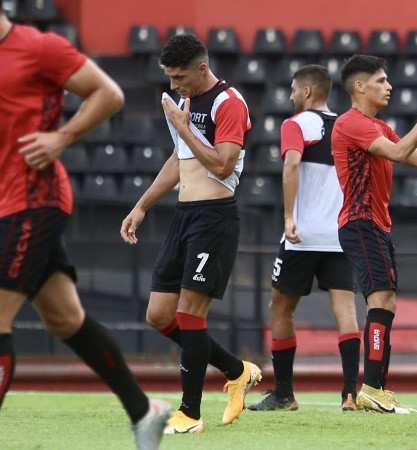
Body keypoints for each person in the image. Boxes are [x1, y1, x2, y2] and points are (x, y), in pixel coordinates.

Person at [0, 11, 171, 449]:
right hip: (5, 206)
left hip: (33, 201)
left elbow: (108, 93)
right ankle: (144, 412)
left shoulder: (39, 48)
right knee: (65, 318)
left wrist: (62, 137)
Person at [120, 34, 260, 434]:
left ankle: (190, 414)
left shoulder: (228, 102)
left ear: (202, 68)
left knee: (189, 315)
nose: (173, 85)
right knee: (159, 315)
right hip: (184, 216)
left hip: (214, 219)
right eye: (169, 76)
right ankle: (237, 370)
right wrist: (142, 205)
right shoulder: (182, 102)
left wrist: (185, 129)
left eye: (179, 76)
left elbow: (222, 164)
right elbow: (179, 159)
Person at [332, 55, 417, 413]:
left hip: (377, 225)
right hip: (360, 222)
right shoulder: (351, 122)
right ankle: (372, 388)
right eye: (381, 81)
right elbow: (400, 153)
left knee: (385, 302)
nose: (389, 86)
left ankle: (376, 389)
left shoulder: (379, 126)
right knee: (381, 299)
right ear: (359, 86)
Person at [246, 65, 360, 412]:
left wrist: (288, 217)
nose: (291, 95)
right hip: (340, 234)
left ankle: (284, 394)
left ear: (308, 91)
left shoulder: (295, 124)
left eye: (294, 89)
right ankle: (350, 393)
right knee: (346, 310)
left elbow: (292, 165)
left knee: (280, 309)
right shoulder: (346, 125)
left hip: (303, 235)